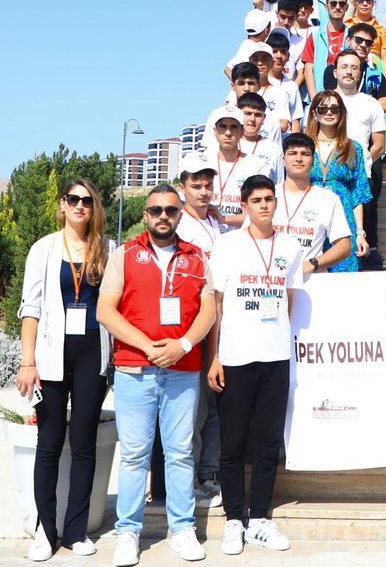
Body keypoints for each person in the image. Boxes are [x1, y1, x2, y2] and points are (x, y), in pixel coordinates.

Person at [98, 185, 217, 566]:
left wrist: (182, 344)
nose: (163, 216)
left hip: (182, 371)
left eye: (170, 210)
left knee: (180, 454)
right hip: (135, 370)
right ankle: (128, 532)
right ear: (145, 215)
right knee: (134, 455)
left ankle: (182, 529)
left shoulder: (196, 257)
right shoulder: (124, 255)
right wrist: (149, 347)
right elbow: (106, 311)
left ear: (180, 215)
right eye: (156, 210)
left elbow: (209, 311)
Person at [207, 175, 306, 556]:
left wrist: (276, 334)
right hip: (235, 357)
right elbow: (217, 305)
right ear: (244, 205)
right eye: (256, 200)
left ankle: (260, 519)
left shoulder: (290, 246)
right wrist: (214, 356)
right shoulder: (227, 245)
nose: (264, 205)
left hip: (275, 357)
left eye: (269, 199)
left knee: (267, 443)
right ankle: (234, 519)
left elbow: (289, 298)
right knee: (233, 443)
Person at [18, 180, 114, 562]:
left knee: (85, 443)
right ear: (62, 204)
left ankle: (76, 530)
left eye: (87, 200)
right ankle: (45, 530)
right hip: (51, 357)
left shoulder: (108, 249)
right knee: (49, 442)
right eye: (73, 199)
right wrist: (28, 362)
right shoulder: (43, 249)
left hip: (93, 355)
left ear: (94, 207)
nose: (79, 206)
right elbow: (30, 309)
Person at [172, 154, 226, 512]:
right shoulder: (179, 225)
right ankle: (186, 480)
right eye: (196, 185)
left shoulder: (216, 222)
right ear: (182, 188)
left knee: (215, 407)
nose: (204, 191)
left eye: (208, 184)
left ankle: (207, 474)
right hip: (192, 323)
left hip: (219, 321)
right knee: (193, 411)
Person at [331, 47, 386, 271]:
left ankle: (369, 254)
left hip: (362, 172)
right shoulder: (324, 101)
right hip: (329, 174)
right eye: (344, 67)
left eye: (354, 68)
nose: (349, 72)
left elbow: (379, 144)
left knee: (367, 216)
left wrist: (361, 165)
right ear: (335, 72)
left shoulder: (371, 104)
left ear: (361, 72)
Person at [302, 92, 371, 273]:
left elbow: (358, 193)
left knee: (344, 272)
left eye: (334, 109)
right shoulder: (303, 146)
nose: (329, 112)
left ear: (341, 113)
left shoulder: (353, 147)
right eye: (323, 109)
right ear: (314, 113)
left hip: (343, 215)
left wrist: (360, 232)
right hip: (310, 216)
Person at [270, 132, 353, 274]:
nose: (298, 158)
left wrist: (313, 264)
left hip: (311, 280)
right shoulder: (268, 196)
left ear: (313, 161)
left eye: (305, 154)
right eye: (292, 153)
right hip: (271, 279)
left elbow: (344, 246)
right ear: (283, 160)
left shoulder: (328, 199)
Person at [205, 99, 283, 231]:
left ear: (242, 132)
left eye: (234, 127)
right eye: (222, 127)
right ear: (214, 131)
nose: (228, 132)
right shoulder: (203, 162)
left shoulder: (258, 166)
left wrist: (224, 218)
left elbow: (260, 213)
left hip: (241, 238)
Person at [301, 0, 350, 94]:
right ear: (326, 7)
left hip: (347, 96)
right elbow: (308, 71)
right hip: (320, 95)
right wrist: (314, 99)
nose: (337, 7)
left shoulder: (352, 36)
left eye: (342, 4)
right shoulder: (315, 36)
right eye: (333, 3)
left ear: (346, 7)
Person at [344, 0, 386, 67]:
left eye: (369, 1)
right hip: (351, 66)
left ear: (373, 4)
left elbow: (384, 57)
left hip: (375, 68)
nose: (365, 4)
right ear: (354, 3)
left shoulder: (380, 28)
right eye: (360, 0)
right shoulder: (346, 25)